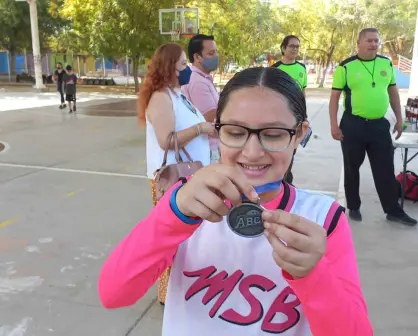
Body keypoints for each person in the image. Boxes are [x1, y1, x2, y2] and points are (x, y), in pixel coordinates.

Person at [99, 67, 373, 336]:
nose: (252, 152)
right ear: (217, 130)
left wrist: (314, 275)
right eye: (235, 132)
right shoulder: (186, 202)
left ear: (299, 134)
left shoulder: (323, 219)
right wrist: (172, 215)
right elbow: (113, 294)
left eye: (274, 134)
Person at [137, 43, 215, 305]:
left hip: (189, 176)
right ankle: (167, 294)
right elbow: (166, 140)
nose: (186, 70)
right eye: (182, 65)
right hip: (173, 179)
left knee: (188, 238)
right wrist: (201, 129)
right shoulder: (160, 97)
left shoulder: (177, 94)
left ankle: (183, 289)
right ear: (168, 68)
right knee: (171, 238)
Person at [329, 27, 417, 226]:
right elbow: (334, 97)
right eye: (369, 40)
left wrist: (399, 118)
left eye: (376, 41)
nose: (373, 44)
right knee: (352, 167)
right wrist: (334, 125)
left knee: (385, 168)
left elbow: (393, 92)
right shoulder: (346, 66)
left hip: (379, 126)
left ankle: (393, 210)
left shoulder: (385, 63)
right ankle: (354, 206)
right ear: (359, 43)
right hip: (353, 125)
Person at [272, 35, 308, 185]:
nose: (295, 49)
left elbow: (303, 93)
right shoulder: (275, 69)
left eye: (297, 46)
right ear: (283, 48)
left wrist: (304, 115)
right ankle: (281, 182)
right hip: (278, 118)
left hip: (297, 118)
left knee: (291, 151)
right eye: (292, 46)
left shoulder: (302, 68)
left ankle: (286, 182)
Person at [182, 34, 220, 163]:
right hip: (208, 149)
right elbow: (211, 117)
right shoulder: (198, 82)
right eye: (211, 53)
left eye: (216, 52)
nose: (216, 56)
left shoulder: (203, 78)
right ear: (197, 57)